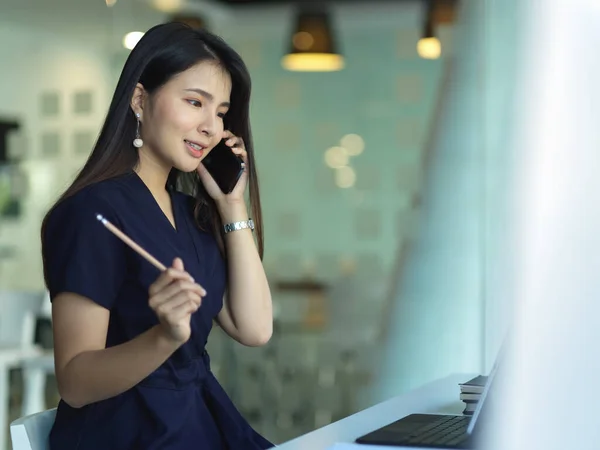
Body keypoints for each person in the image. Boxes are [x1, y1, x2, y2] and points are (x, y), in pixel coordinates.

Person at [40, 22, 274, 449]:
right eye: (194, 102)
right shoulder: (91, 212)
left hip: (199, 423)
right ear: (140, 99)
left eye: (221, 112)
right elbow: (74, 382)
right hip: (128, 436)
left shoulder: (193, 214)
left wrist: (231, 205)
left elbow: (254, 328)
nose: (211, 127)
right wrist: (164, 336)